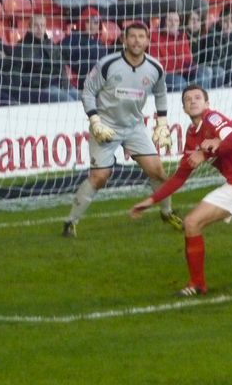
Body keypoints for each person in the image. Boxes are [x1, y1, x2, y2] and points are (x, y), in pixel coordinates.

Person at [129, 84, 232, 296]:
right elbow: (180, 176)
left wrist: (206, 152)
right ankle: (197, 284)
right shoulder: (192, 136)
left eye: (197, 97)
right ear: (183, 108)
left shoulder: (213, 118)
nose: (192, 101)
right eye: (187, 99)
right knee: (191, 223)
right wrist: (151, 200)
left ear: (207, 103)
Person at [63, 21, 182, 237]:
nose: (137, 41)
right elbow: (88, 92)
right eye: (132, 36)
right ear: (124, 40)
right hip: (106, 127)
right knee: (100, 177)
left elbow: (161, 93)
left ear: (147, 41)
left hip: (134, 127)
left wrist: (162, 122)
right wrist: (95, 121)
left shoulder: (155, 68)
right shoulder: (108, 64)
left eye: (141, 37)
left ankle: (167, 213)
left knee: (158, 171)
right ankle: (71, 222)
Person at [12, 14, 79, 103]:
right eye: (36, 25)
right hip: (41, 88)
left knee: (85, 100)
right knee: (68, 102)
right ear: (29, 27)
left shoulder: (50, 44)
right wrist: (39, 83)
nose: (39, 28)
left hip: (59, 85)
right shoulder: (22, 47)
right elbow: (17, 74)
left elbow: (61, 67)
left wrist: (67, 86)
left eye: (42, 25)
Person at [60, 7, 111, 90]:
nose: (92, 26)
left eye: (95, 23)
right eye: (88, 22)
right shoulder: (71, 40)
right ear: (82, 22)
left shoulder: (100, 44)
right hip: (81, 82)